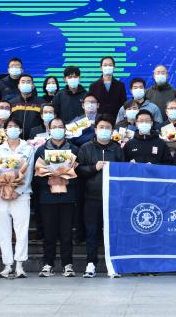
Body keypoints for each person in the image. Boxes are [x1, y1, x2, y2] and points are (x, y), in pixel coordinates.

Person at [76, 115, 124, 278]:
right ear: (95, 130)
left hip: (113, 198)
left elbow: (122, 171)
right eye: (101, 127)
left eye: (107, 128)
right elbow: (78, 170)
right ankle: (91, 263)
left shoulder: (117, 148)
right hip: (92, 197)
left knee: (114, 232)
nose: (104, 130)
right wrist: (93, 168)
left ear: (112, 131)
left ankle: (115, 265)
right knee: (92, 232)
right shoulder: (85, 148)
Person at [33, 121, 80, 277]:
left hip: (68, 197)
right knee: (49, 233)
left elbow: (80, 174)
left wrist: (68, 180)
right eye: (54, 127)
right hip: (47, 198)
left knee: (66, 233)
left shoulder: (74, 149)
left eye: (60, 127)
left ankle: (68, 264)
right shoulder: (41, 150)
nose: (57, 130)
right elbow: (35, 175)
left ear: (65, 130)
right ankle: (48, 264)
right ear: (49, 129)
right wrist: (47, 181)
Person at [0, 119, 35, 279]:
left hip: (21, 196)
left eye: (15, 127)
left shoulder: (28, 149)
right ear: (4, 130)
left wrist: (19, 190)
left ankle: (20, 265)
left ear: (20, 130)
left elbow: (29, 172)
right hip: (2, 195)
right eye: (9, 127)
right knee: (3, 231)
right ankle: (7, 265)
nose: (12, 129)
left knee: (21, 230)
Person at [10, 74, 45, 138]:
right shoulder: (12, 103)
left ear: (33, 86)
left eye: (28, 82)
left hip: (36, 139)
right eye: (23, 82)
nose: (25, 84)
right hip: (16, 139)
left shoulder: (41, 103)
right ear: (18, 86)